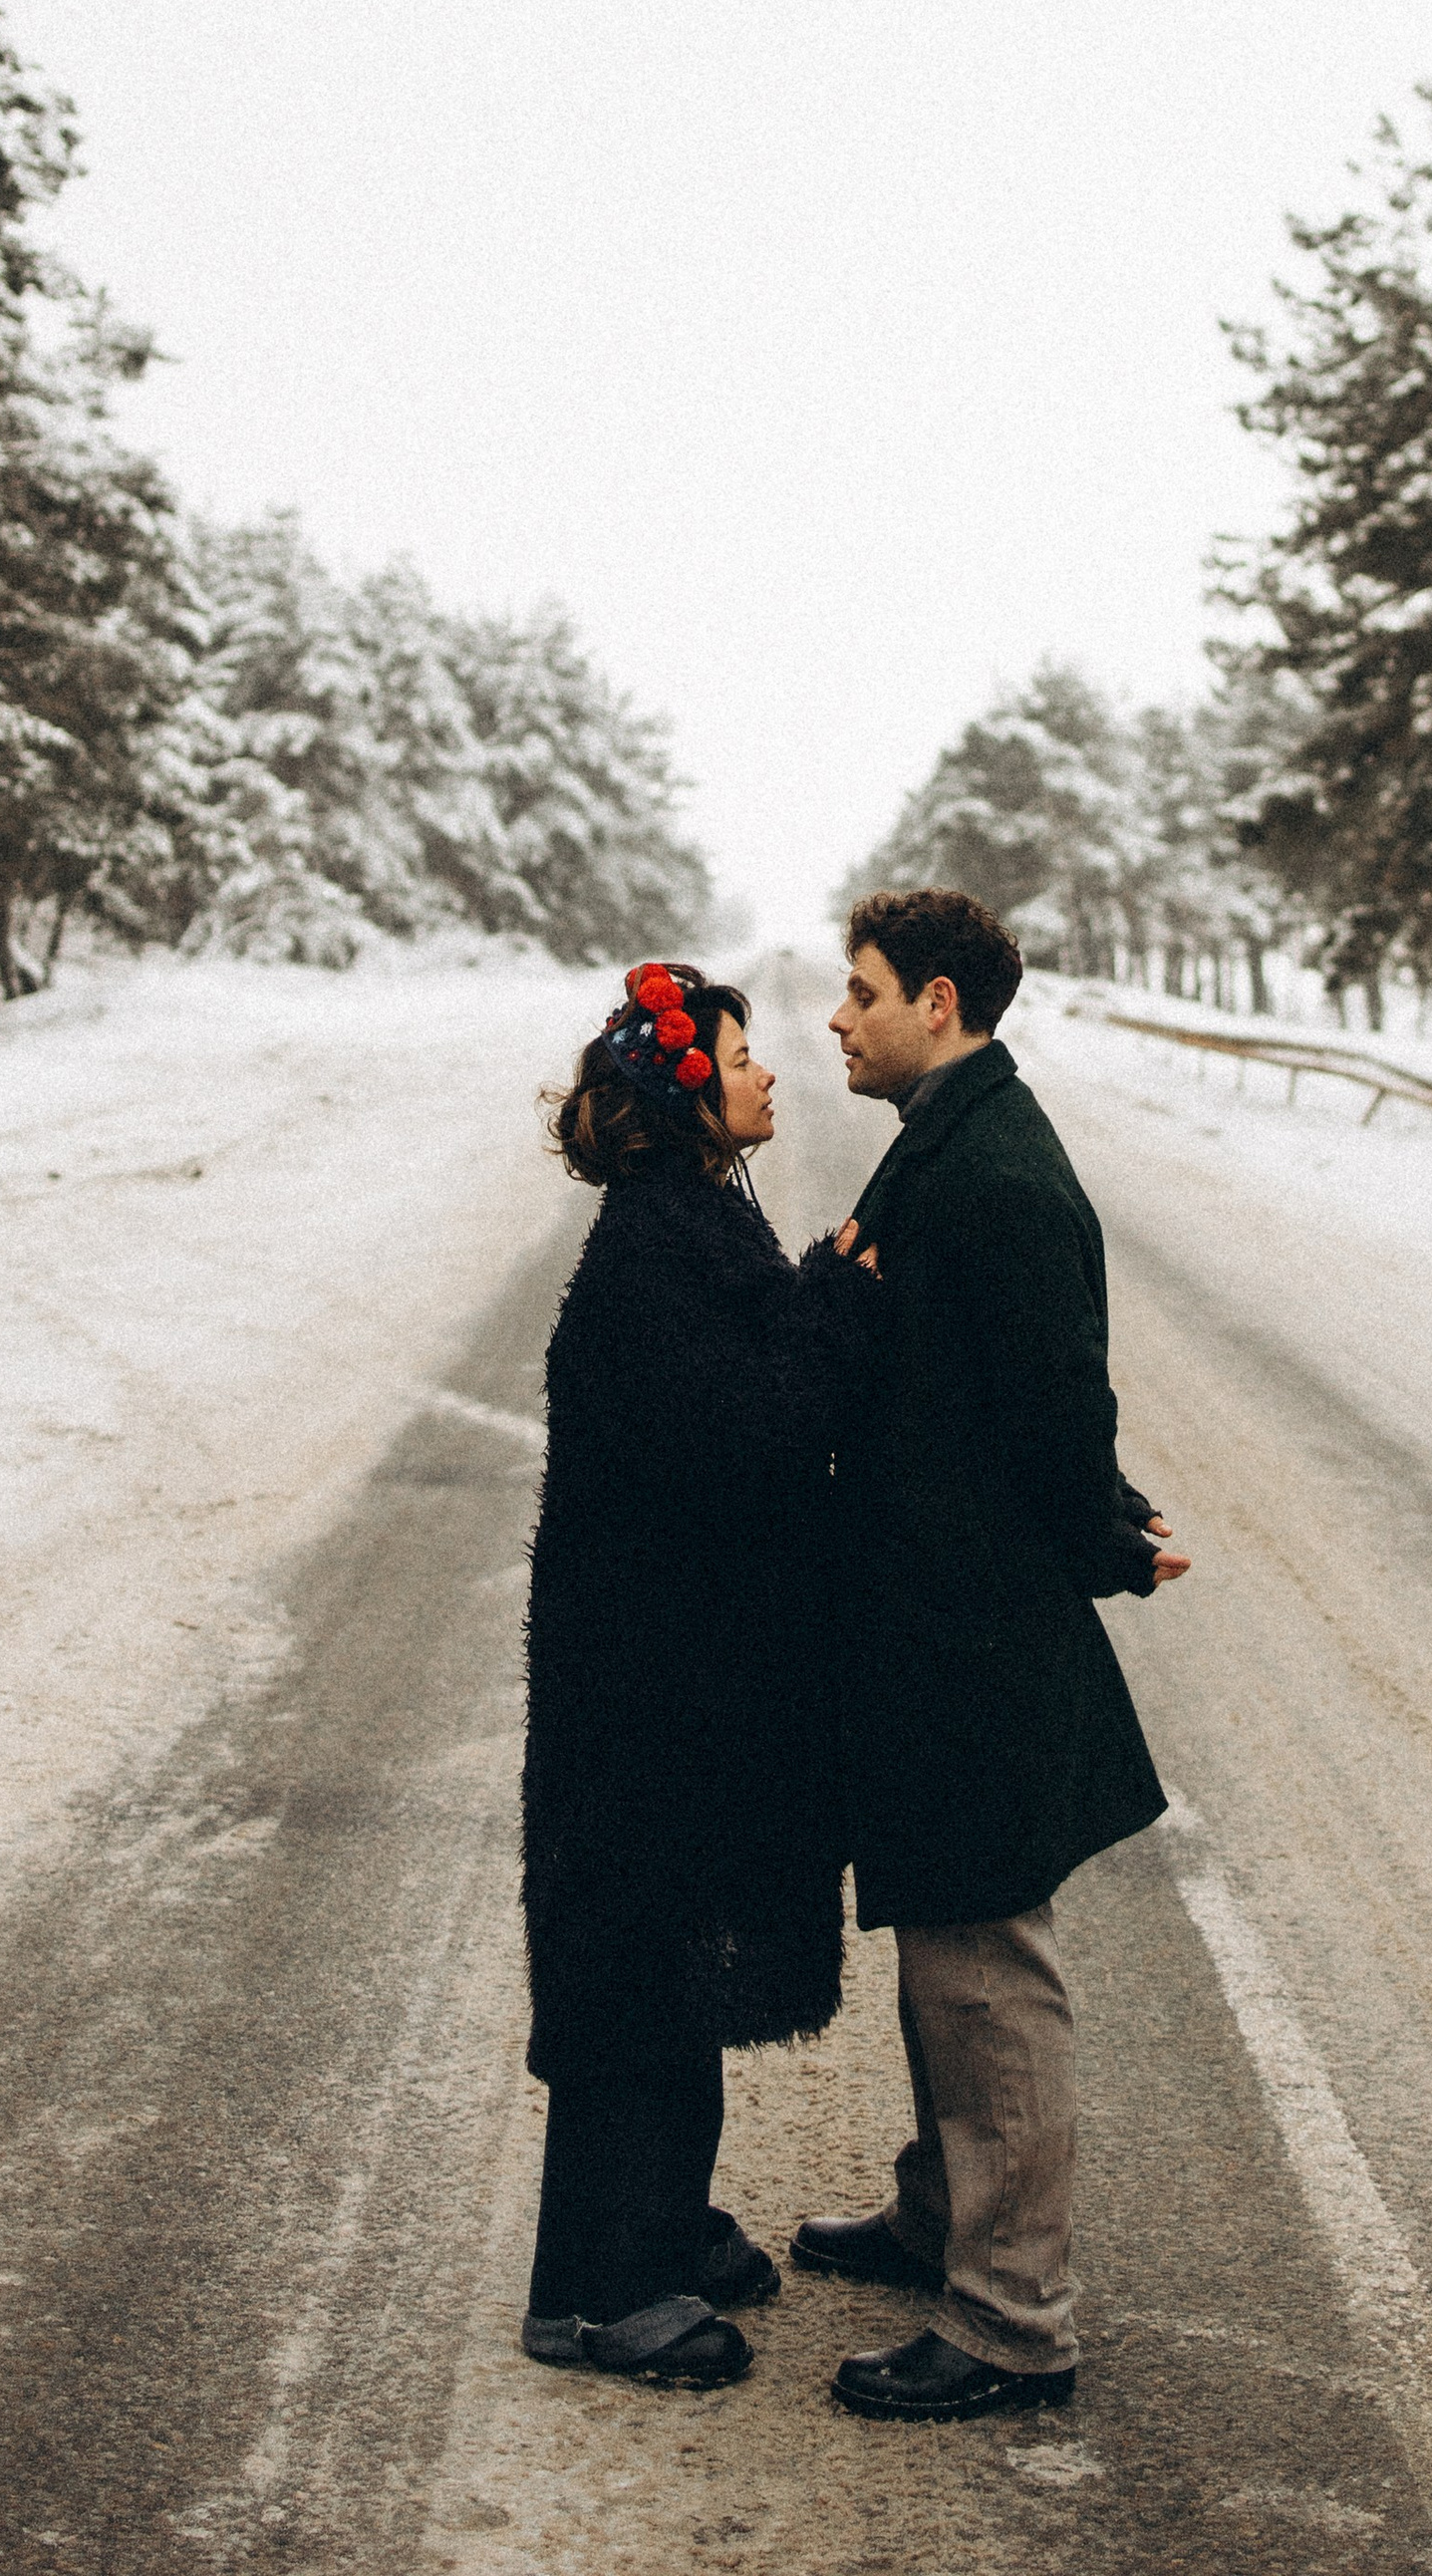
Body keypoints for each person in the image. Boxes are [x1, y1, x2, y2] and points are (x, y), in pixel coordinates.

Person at [796, 887, 1189, 2424]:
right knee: (936, 1955)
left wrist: (1110, 1532)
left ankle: (1015, 2313)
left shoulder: (1002, 1177)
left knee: (985, 1975)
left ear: (940, 1004)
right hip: (923, 1621)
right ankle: (938, 2211)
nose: (837, 1014)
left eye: (863, 989)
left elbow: (1050, 1416)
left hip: (974, 1634)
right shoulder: (947, 1136)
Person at [520, 960, 864, 2390]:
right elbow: (747, 1440)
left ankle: (659, 2218)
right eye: (740, 1052)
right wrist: (839, 1314)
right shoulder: (653, 1249)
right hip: (639, 1691)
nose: (770, 1070)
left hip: (679, 1674)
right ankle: (598, 2289)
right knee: (630, 1975)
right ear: (688, 1089)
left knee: (671, 1961)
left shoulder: (693, 1215)